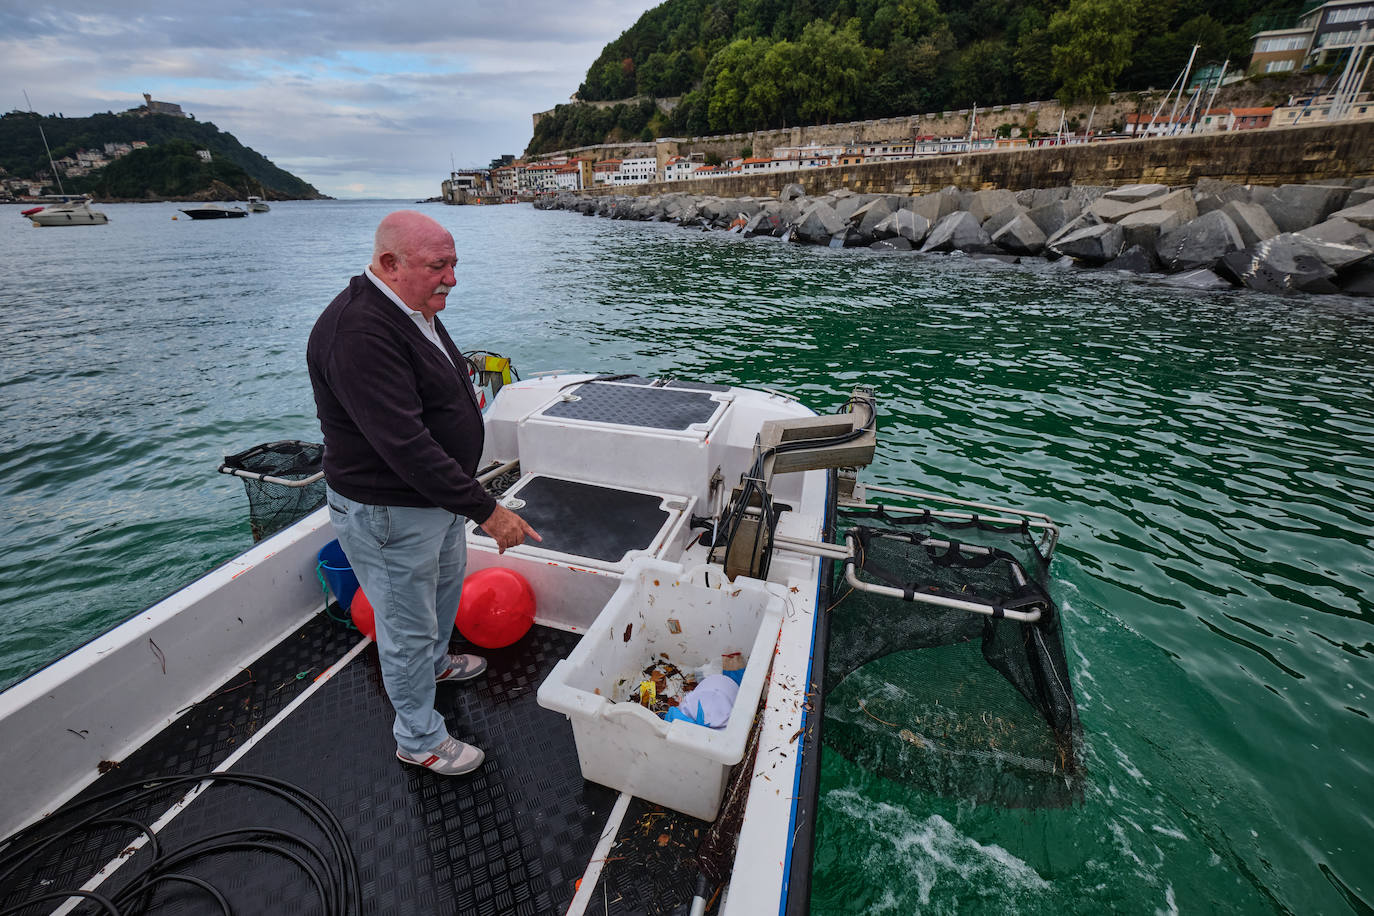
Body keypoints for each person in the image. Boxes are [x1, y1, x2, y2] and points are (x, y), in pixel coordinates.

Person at [307, 210, 540, 776]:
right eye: (439, 266)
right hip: (390, 510)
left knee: (441, 591)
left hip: (432, 501)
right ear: (391, 264)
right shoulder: (359, 332)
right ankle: (418, 737)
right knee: (406, 629)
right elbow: (404, 444)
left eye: (454, 264)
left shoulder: (411, 308)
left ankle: (435, 666)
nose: (452, 279)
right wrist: (488, 511)